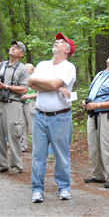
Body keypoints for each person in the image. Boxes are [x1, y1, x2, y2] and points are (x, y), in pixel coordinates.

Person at [28, 33, 76, 203]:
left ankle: (63, 187)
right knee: (38, 155)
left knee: (61, 155)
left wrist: (50, 84)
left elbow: (47, 83)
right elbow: (30, 83)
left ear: (67, 49)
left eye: (61, 42)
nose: (57, 42)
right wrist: (55, 87)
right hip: (40, 116)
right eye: (56, 41)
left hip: (60, 118)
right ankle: (37, 190)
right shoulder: (42, 64)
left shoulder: (69, 67)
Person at [82, 46, 109, 189]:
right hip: (92, 115)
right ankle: (98, 175)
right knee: (93, 145)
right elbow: (92, 93)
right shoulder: (100, 74)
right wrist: (86, 102)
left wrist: (98, 105)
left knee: (108, 146)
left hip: (106, 115)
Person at [0, 41, 28, 176]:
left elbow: (24, 89)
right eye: (12, 46)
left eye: (17, 48)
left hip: (12, 103)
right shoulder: (1, 65)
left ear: (21, 54)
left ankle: (16, 166)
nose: (13, 48)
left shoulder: (22, 68)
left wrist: (6, 86)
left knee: (14, 135)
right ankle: (1, 165)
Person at [20, 63, 37, 152]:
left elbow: (39, 93)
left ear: (32, 70)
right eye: (25, 66)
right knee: (22, 126)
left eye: (28, 67)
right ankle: (23, 146)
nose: (26, 68)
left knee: (32, 126)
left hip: (31, 104)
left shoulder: (34, 79)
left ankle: (36, 147)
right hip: (21, 104)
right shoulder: (22, 79)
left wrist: (28, 97)